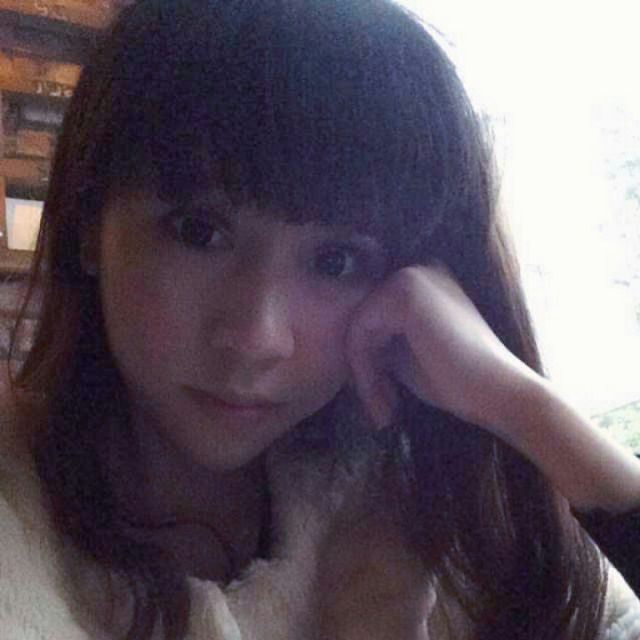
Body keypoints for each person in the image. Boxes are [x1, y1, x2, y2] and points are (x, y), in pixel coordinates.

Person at [1, 0, 639, 638]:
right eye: (198, 231)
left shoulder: (443, 518)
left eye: (336, 261)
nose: (257, 338)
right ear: (88, 226)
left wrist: (519, 402)